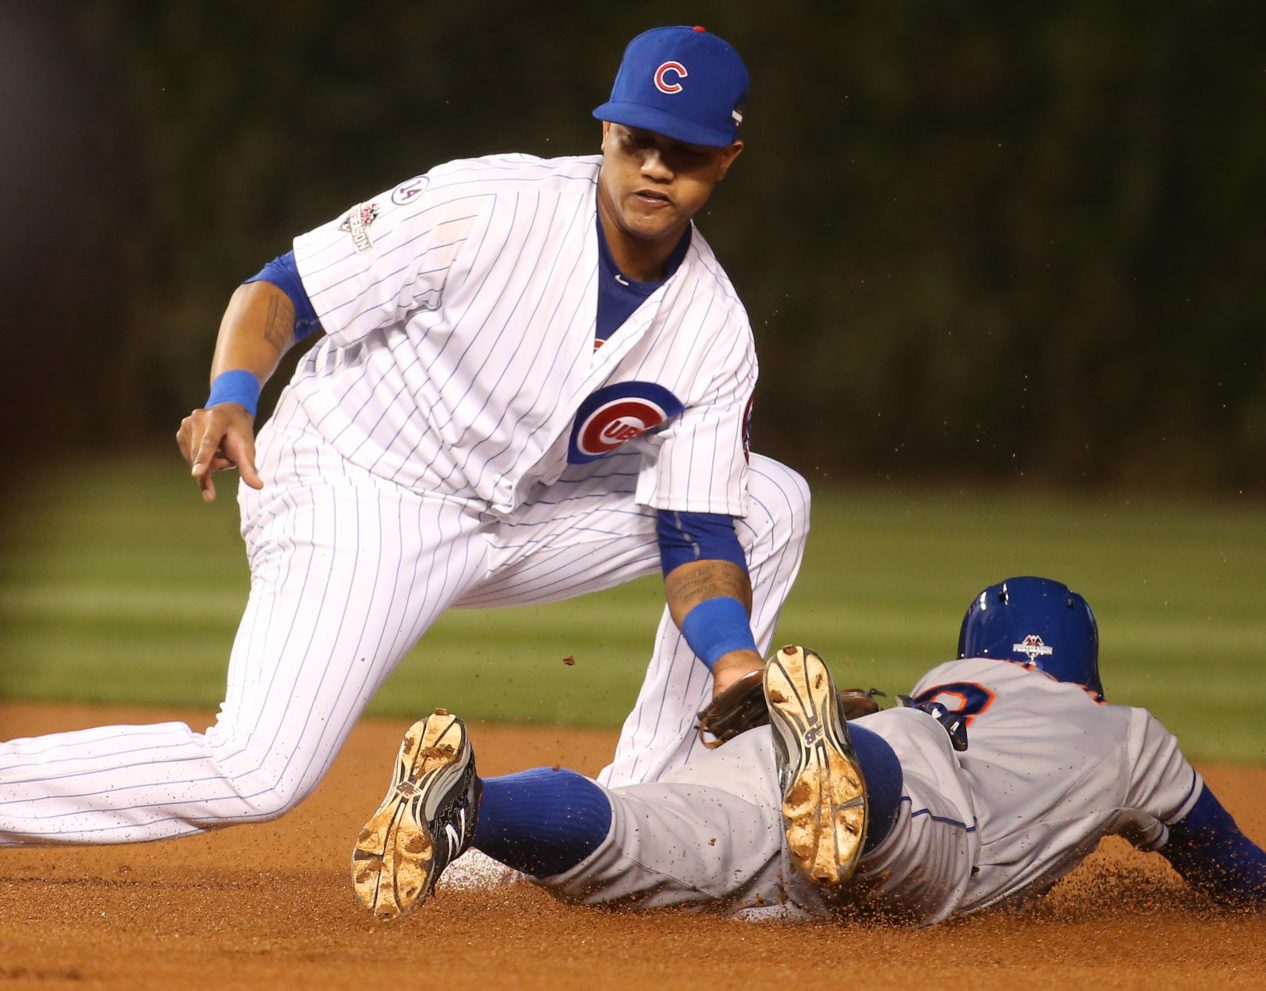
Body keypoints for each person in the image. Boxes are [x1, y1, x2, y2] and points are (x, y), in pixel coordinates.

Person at [0, 26, 809, 845]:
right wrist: (233, 395)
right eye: (639, 140)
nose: (657, 166)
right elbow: (284, 290)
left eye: (688, 150)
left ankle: (633, 826)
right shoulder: (490, 203)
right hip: (356, 483)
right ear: (605, 131)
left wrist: (735, 663)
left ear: (728, 159)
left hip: (513, 514)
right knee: (258, 770)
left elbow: (696, 529)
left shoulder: (714, 330)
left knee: (770, 500)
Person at [351, 576, 1266, 922]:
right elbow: (1234, 869)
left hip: (853, 738)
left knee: (647, 837)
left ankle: (475, 804)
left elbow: (926, 718)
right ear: (1087, 668)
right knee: (905, 834)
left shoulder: (945, 684)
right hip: (909, 782)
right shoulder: (1127, 734)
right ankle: (835, 769)